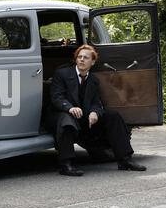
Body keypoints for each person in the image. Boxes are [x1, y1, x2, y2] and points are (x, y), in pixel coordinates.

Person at [48, 44, 146, 176]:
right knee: (67, 121)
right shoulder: (62, 74)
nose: (82, 59)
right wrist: (70, 108)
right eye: (79, 57)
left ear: (92, 62)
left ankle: (125, 160)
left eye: (86, 58)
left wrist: (95, 112)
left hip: (84, 117)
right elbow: (57, 97)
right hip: (63, 114)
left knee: (113, 117)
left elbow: (96, 102)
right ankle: (66, 165)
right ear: (76, 59)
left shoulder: (93, 80)